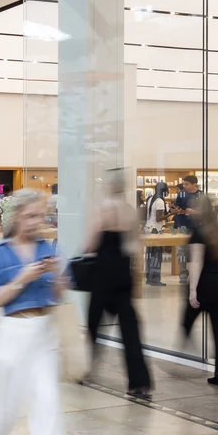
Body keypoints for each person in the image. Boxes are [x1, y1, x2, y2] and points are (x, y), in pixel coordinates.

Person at [0, 189, 65, 435]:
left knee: (47, 404)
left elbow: (57, 295)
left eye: (39, 215)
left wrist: (57, 277)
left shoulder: (47, 249)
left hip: (44, 333)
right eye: (30, 216)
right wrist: (23, 278)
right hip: (13, 333)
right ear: (16, 217)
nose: (35, 221)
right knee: (6, 405)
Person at [81, 168, 152, 399]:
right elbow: (135, 245)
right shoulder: (130, 211)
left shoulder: (102, 210)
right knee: (130, 330)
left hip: (103, 272)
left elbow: (91, 243)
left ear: (108, 186)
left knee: (93, 323)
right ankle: (139, 382)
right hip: (124, 272)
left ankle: (82, 368)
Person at [181, 193, 218, 386]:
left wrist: (193, 290)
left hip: (204, 286)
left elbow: (196, 262)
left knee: (185, 322)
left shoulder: (199, 233)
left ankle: (187, 356)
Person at [142, 179, 169, 286]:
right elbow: (159, 218)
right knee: (157, 254)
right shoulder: (160, 201)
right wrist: (172, 213)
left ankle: (149, 277)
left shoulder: (150, 199)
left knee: (150, 254)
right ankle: (155, 279)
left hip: (149, 228)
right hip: (156, 229)